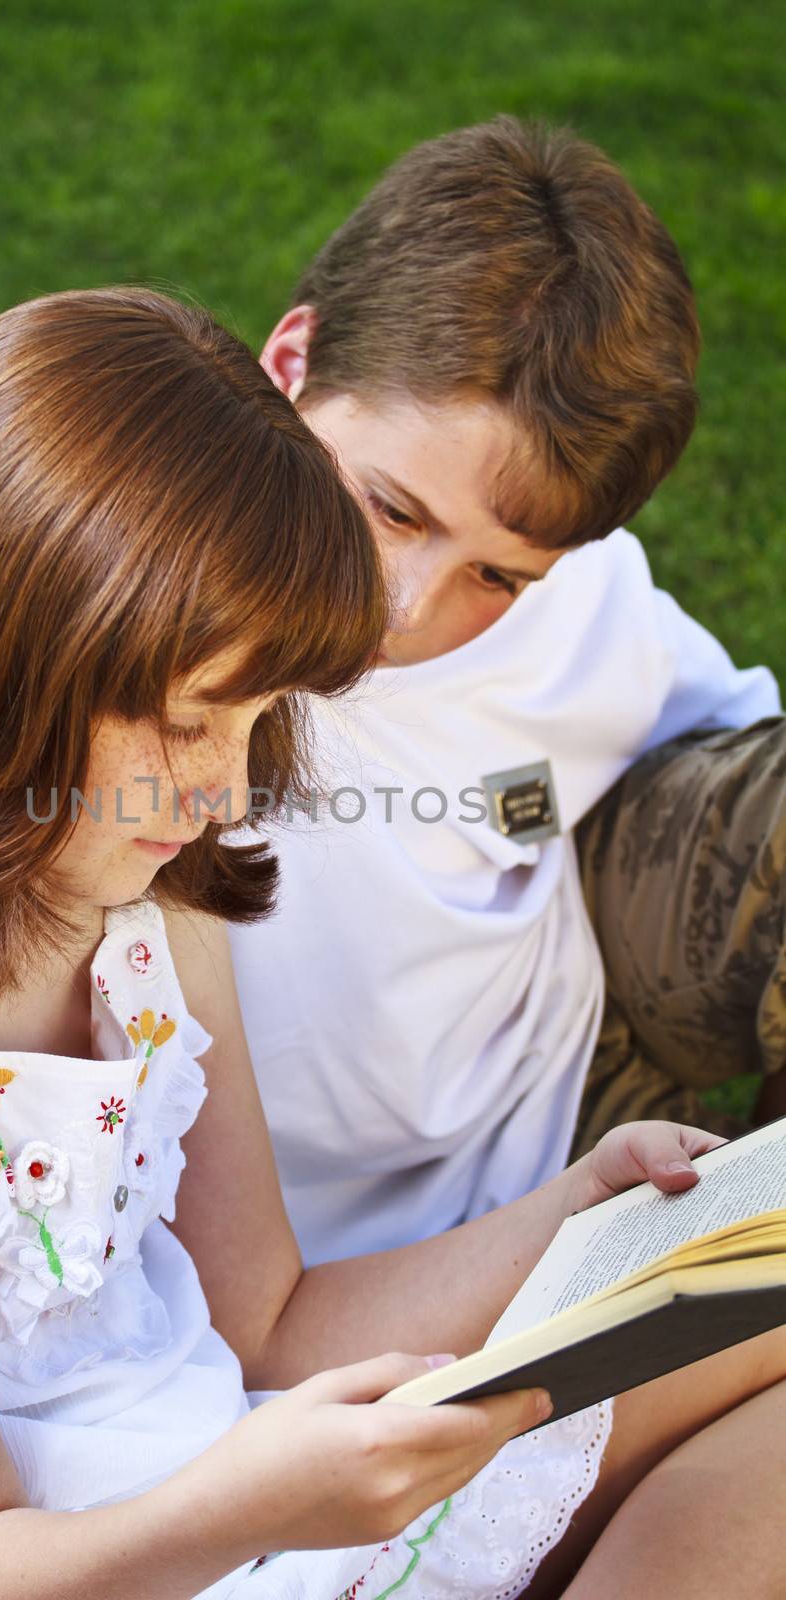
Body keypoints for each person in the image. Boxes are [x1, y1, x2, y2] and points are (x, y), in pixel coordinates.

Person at [0, 287, 783, 1600]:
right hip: (104, 1552)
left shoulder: (144, 898)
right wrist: (248, 1504)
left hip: (221, 1470)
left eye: (257, 715)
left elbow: (268, 1321)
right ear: (2, 660)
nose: (226, 791)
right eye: (186, 721)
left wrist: (570, 1216)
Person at [227, 115, 786, 1270]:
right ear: (290, 363)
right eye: (391, 510)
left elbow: (734, 769)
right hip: (271, 1241)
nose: (407, 607)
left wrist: (516, 812)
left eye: (496, 573)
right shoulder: (129, 585)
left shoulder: (584, 607)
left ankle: (750, 1220)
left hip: (556, 1101)